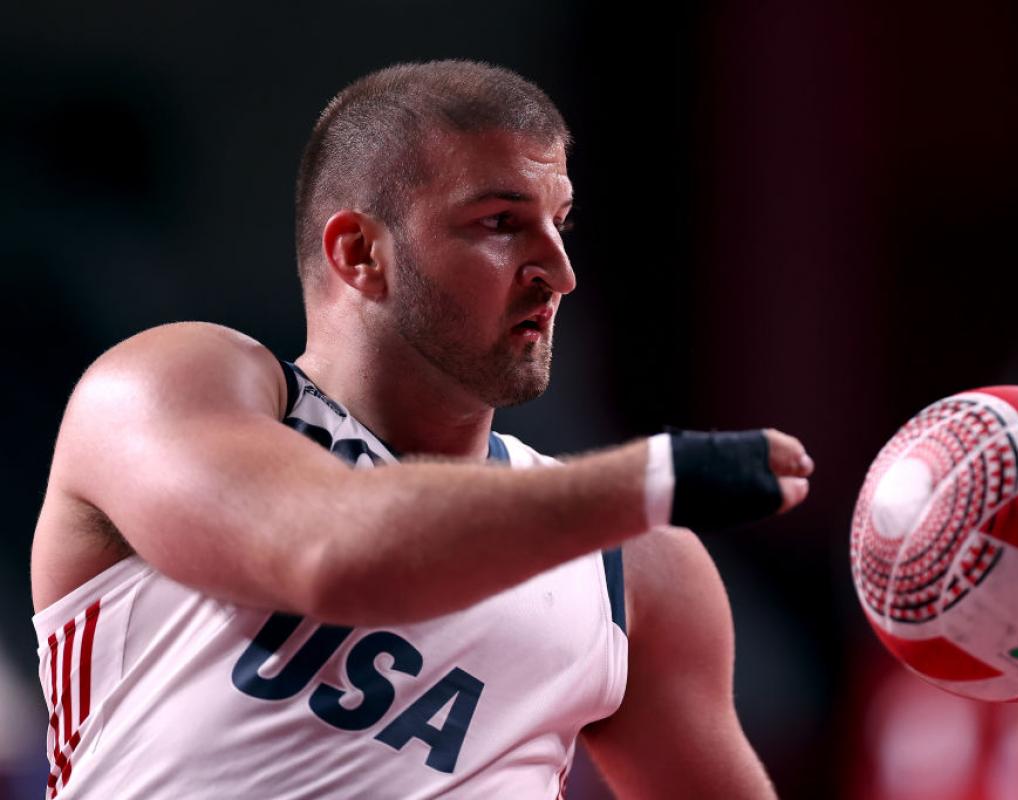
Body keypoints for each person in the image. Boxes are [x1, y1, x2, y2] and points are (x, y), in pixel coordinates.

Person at [30, 60, 813, 799]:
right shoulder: (168, 384)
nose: (559, 271)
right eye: (502, 222)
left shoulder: (635, 568)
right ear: (360, 252)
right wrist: (654, 478)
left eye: (561, 224)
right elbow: (330, 556)